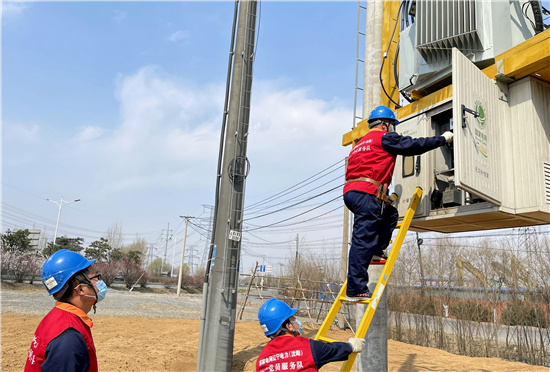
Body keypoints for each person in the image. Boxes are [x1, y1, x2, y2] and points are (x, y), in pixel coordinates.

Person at [344, 106, 453, 301]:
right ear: (385, 124)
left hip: (353, 192)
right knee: (362, 240)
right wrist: (442, 139)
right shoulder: (385, 137)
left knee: (390, 215)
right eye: (392, 126)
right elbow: (414, 145)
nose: (393, 129)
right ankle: (355, 289)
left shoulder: (360, 143)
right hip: (367, 194)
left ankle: (377, 251)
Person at [25, 249, 107, 372]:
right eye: (96, 277)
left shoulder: (58, 317)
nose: (100, 282)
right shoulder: (68, 338)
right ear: (81, 289)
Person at [256, 298, 365, 372]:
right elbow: (333, 350)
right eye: (293, 318)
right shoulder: (308, 347)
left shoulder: (261, 359)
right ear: (289, 326)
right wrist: (351, 345)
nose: (297, 321)